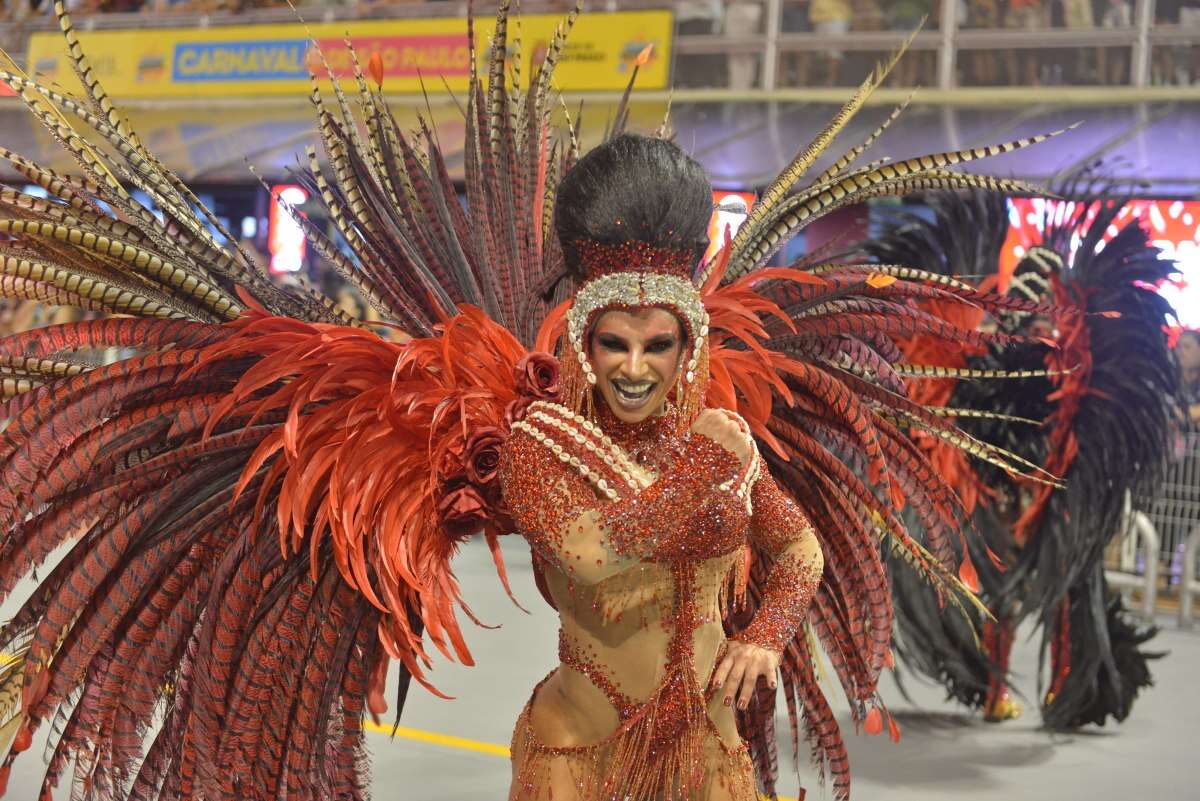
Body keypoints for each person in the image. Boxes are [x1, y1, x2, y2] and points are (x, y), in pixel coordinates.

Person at [0, 3, 1065, 800]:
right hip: (578, 757)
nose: (640, 365)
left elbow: (797, 553)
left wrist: (767, 634)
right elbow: (602, 556)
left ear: (691, 337)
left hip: (707, 761)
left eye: (661, 340)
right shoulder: (542, 445)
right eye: (616, 343)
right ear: (585, 345)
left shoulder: (725, 434)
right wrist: (714, 477)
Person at [863, 185, 1177, 729]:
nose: (1039, 323)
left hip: (1042, 486)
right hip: (1012, 488)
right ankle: (1015, 690)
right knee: (1016, 589)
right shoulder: (1022, 361)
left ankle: (1046, 690)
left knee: (1054, 588)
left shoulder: (1036, 360)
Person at [809, 0, 851, 85]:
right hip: (817, 17)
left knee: (834, 53)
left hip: (838, 16)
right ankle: (822, 83)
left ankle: (831, 83)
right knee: (821, 54)